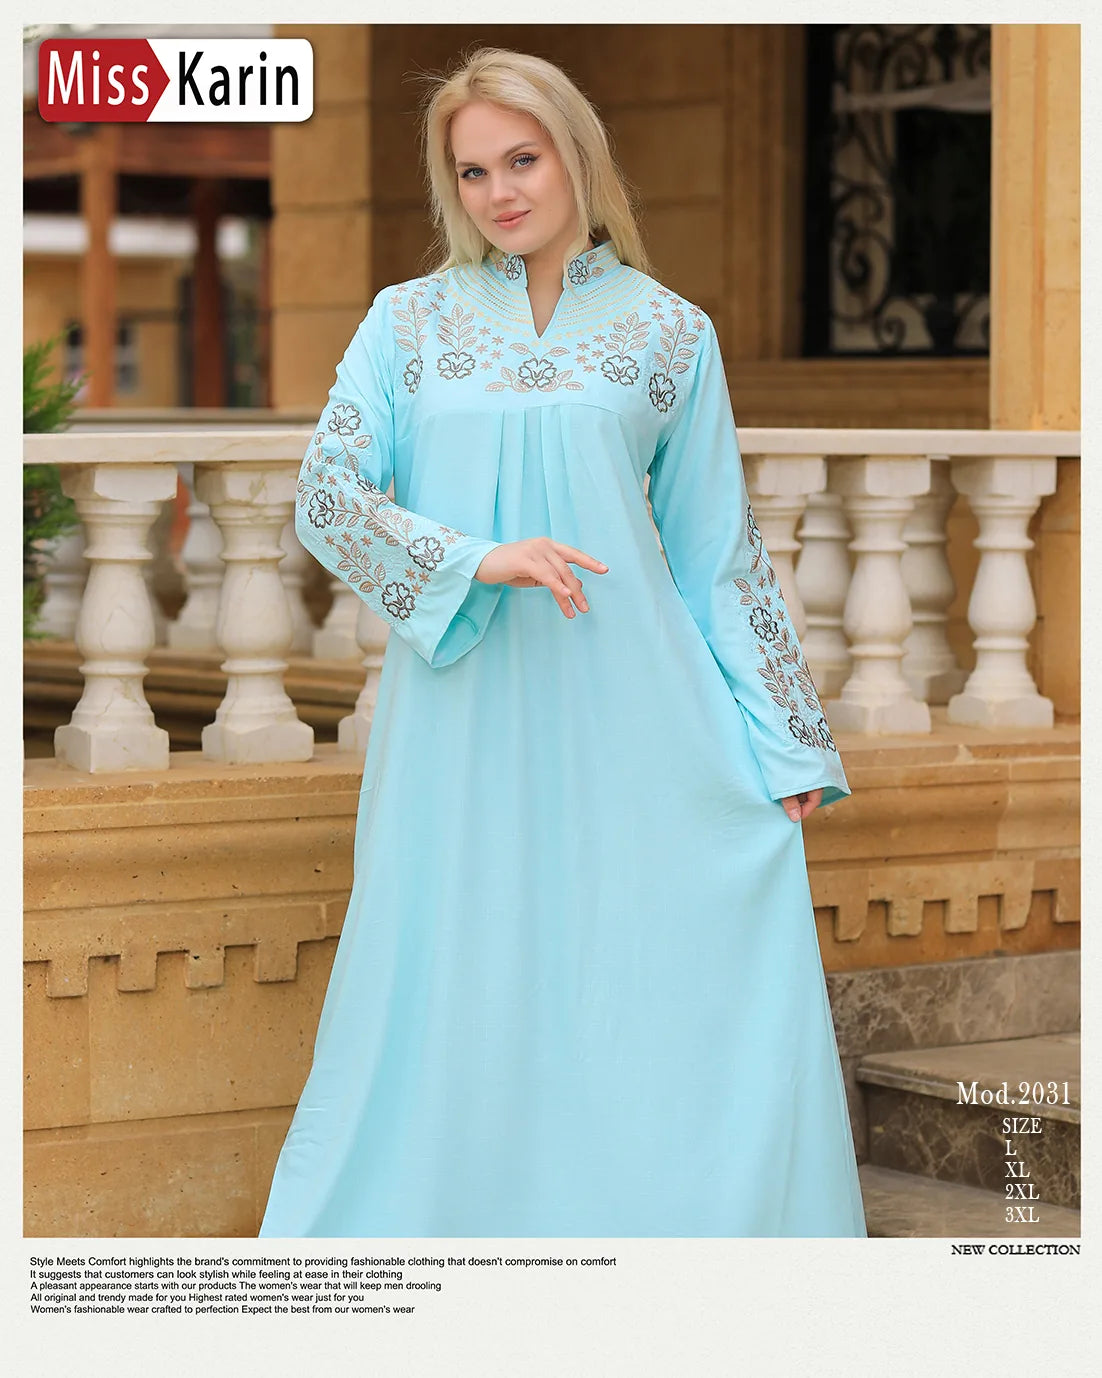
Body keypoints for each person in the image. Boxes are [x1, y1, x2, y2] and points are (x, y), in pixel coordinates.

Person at [259, 47, 867, 1238]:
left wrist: (786, 742)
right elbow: (325, 494)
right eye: (473, 171)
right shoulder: (405, 325)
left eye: (522, 160)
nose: (499, 192)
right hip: (461, 715)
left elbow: (717, 553)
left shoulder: (670, 335)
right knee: (455, 966)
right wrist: (476, 557)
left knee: (629, 976)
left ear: (575, 154)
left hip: (636, 716)